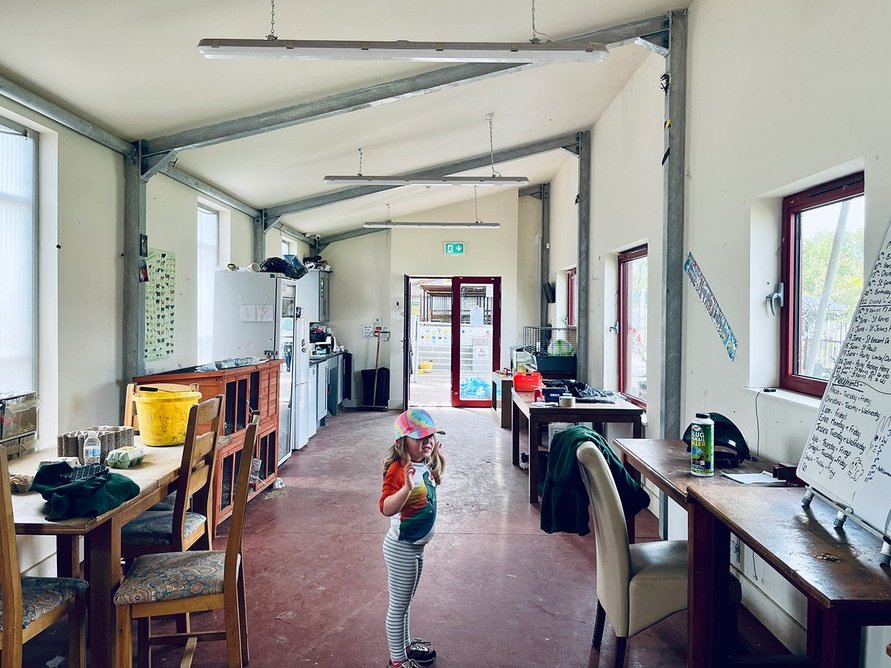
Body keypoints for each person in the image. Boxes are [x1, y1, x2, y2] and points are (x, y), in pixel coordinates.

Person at [379, 409, 446, 668]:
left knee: (406, 603)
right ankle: (398, 661)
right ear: (402, 442)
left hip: (416, 548)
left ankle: (405, 647)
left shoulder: (423, 465)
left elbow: (436, 481)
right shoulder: (399, 470)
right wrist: (406, 489)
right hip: (401, 548)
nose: (427, 441)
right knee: (398, 607)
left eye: (430, 436)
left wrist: (440, 456)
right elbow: (386, 507)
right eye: (420, 437)